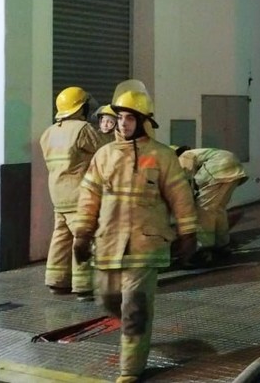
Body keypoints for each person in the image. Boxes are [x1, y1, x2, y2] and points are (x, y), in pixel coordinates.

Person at [72, 81, 198, 383]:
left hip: (146, 244)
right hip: (109, 243)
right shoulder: (104, 156)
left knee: (135, 307)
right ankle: (135, 333)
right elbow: (89, 197)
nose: (123, 124)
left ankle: (130, 369)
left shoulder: (162, 155)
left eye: (130, 118)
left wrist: (189, 232)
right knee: (109, 299)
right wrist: (82, 233)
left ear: (143, 121)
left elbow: (181, 195)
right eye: (120, 118)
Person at [39, 86, 105, 301]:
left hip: (58, 194)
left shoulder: (49, 133)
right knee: (83, 237)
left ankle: (56, 282)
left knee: (61, 237)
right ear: (81, 107)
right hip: (79, 194)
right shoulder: (82, 129)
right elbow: (103, 150)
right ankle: (84, 286)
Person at [174, 146, 249, 263]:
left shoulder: (183, 157)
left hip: (217, 169)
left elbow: (185, 181)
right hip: (233, 167)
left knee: (203, 211)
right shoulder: (199, 153)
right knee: (218, 209)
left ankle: (203, 250)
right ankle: (222, 246)